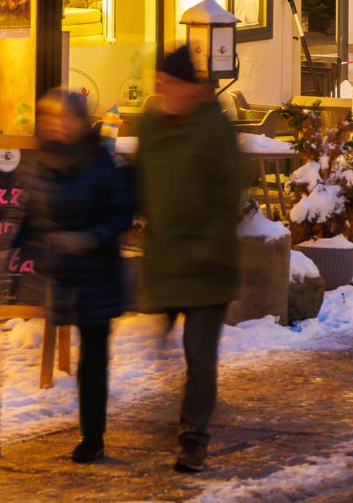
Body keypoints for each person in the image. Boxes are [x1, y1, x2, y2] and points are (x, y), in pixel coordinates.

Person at [134, 46, 244, 474]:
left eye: (169, 83)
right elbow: (143, 182)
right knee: (168, 349)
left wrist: (205, 244)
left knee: (199, 357)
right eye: (159, 82)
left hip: (208, 266)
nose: (162, 90)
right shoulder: (151, 125)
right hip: (167, 261)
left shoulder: (214, 128)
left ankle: (194, 439)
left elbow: (229, 193)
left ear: (191, 87)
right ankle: (188, 414)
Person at [16, 89, 133, 464]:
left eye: (66, 118)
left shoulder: (100, 161)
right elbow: (30, 210)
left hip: (97, 272)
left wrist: (90, 237)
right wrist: (13, 244)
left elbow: (120, 213)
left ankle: (92, 435)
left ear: (80, 122)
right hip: (61, 272)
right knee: (81, 351)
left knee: (92, 357)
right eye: (51, 118)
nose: (58, 125)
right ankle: (90, 431)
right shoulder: (41, 160)